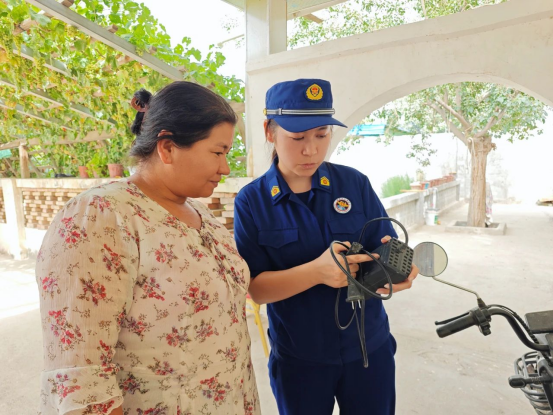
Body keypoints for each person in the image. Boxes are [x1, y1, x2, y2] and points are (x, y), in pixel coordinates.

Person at [36, 81, 260, 415]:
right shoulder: (100, 217)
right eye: (217, 153)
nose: (225, 168)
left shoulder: (203, 216)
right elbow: (82, 376)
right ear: (167, 147)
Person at [233, 79, 419, 415]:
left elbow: (384, 245)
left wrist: (396, 268)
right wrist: (316, 273)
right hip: (300, 359)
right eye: (298, 138)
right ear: (269, 131)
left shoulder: (354, 184)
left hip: (368, 349)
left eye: (322, 135)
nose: (311, 150)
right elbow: (256, 289)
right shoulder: (252, 201)